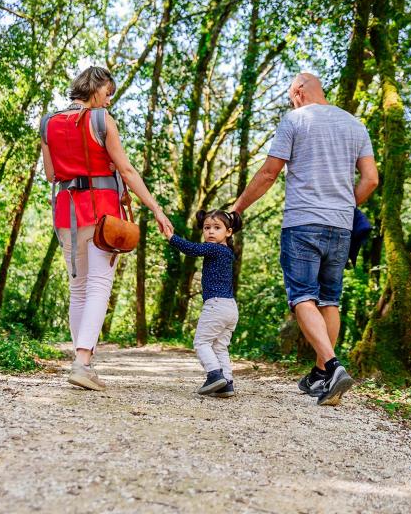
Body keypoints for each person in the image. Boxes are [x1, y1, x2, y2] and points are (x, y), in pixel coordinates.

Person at [232, 72, 379, 405]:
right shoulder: (355, 125)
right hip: (341, 226)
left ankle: (332, 366)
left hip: (303, 223)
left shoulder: (295, 120)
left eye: (289, 96)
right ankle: (324, 377)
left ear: (298, 92)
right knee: (329, 299)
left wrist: (237, 209)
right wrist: (344, 205)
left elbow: (269, 173)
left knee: (302, 296)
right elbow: (370, 180)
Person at [41, 66, 173, 391]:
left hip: (66, 213)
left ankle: (80, 362)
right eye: (108, 93)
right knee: (99, 285)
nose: (109, 101)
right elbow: (126, 170)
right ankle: (83, 362)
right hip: (101, 213)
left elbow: (50, 174)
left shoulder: (48, 122)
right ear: (96, 87)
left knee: (78, 289)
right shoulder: (101, 121)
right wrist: (155, 208)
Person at [163, 210, 242, 397]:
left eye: (217, 228)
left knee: (201, 343)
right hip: (230, 307)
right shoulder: (228, 252)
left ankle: (214, 375)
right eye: (207, 228)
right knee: (220, 347)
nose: (211, 232)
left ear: (229, 232)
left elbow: (191, 249)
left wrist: (171, 237)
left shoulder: (214, 249)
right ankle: (227, 383)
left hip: (216, 305)